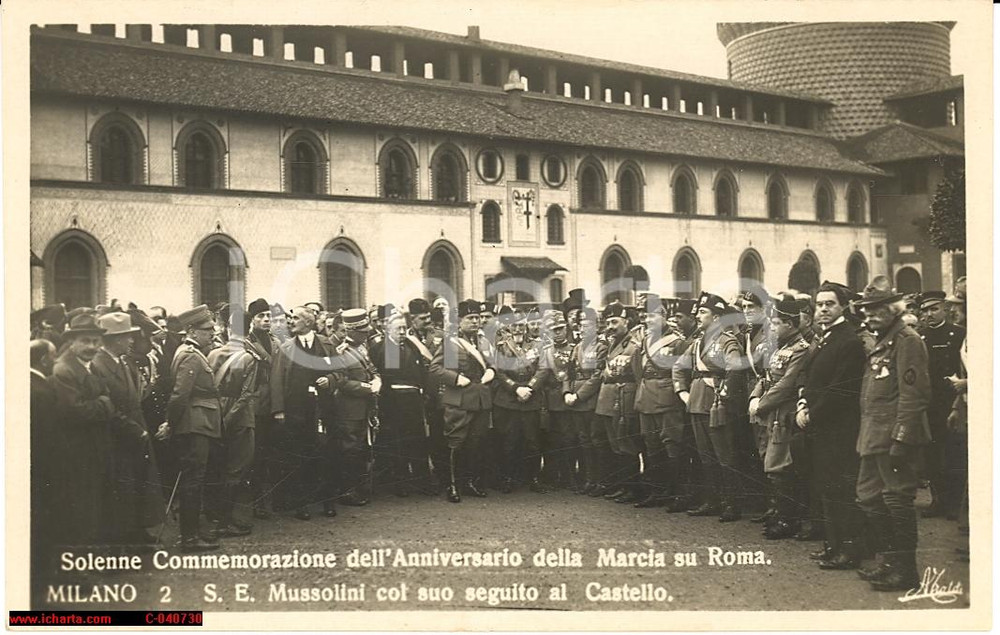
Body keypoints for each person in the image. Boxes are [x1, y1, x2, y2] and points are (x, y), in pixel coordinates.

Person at [854, 278, 931, 591]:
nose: (869, 316)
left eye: (876, 310)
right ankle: (889, 561)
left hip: (894, 436)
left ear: (893, 310)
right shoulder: (883, 339)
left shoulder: (907, 339)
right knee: (868, 496)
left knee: (897, 499)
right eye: (866, 311)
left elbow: (915, 394)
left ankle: (904, 569)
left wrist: (901, 436)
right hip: (873, 434)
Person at [797, 281, 867, 569]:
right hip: (819, 423)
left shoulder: (848, 340)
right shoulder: (822, 338)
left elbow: (840, 389)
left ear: (843, 307)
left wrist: (813, 413)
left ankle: (848, 550)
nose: (823, 309)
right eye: (820, 304)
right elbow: (806, 374)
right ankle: (833, 544)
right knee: (825, 485)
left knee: (840, 488)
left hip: (838, 426)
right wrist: (802, 402)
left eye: (830, 304)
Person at [51, 314, 125, 545]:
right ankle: (81, 560)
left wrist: (103, 403)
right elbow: (76, 412)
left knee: (97, 502)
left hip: (96, 445)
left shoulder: (89, 366)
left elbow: (104, 400)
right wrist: (104, 403)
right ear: (72, 342)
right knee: (82, 505)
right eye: (85, 341)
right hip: (78, 449)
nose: (92, 347)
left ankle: (96, 555)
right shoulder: (64, 370)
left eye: (95, 341)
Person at [91, 312, 164, 545]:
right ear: (113, 340)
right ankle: (121, 538)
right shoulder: (99, 365)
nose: (132, 341)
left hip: (134, 430)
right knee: (122, 487)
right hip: (119, 436)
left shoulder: (121, 361)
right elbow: (108, 405)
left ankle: (137, 530)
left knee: (138, 482)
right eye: (126, 337)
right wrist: (134, 429)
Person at [674, 293, 744, 522]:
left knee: (724, 455)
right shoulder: (696, 344)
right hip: (696, 402)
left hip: (716, 404)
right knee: (705, 456)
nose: (697, 315)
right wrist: (682, 391)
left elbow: (735, 368)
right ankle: (712, 500)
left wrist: (724, 392)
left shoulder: (727, 341)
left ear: (716, 318)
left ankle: (731, 503)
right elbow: (678, 367)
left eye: (703, 312)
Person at [748, 300, 810, 539]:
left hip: (783, 413)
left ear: (790, 324)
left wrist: (761, 405)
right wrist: (755, 396)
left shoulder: (801, 348)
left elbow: (787, 384)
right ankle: (779, 512)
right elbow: (766, 377)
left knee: (780, 465)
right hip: (770, 412)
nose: (772, 327)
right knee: (769, 460)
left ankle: (787, 518)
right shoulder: (777, 346)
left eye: (776, 323)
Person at [270, 306, 338, 520]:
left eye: (296, 318)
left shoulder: (327, 344)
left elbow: (341, 371)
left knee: (326, 454)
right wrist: (279, 410)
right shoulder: (287, 348)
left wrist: (331, 380)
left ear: (308, 322)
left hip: (323, 409)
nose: (291, 321)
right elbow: (277, 380)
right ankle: (302, 503)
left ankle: (328, 502)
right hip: (297, 410)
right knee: (299, 455)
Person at [165, 305, 223, 552]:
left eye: (212, 329)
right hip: (194, 424)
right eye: (206, 330)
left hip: (198, 423)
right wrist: (171, 423)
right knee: (193, 481)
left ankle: (194, 532)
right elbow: (180, 395)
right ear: (191, 331)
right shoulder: (190, 355)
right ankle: (189, 538)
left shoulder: (192, 352)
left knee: (195, 480)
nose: (212, 333)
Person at [429, 299, 495, 503]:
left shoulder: (483, 342)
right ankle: (453, 485)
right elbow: (435, 369)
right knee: (456, 443)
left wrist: (492, 370)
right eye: (471, 318)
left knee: (476, 443)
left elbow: (493, 363)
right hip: (459, 400)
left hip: (481, 399)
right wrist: (456, 378)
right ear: (459, 321)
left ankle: (468, 482)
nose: (476, 322)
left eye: (477, 318)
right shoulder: (451, 343)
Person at [206, 306, 263, 536]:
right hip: (240, 418)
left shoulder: (212, 353)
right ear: (249, 328)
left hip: (214, 412)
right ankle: (225, 522)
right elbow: (247, 394)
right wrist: (230, 417)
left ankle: (215, 515)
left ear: (229, 329)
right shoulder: (250, 358)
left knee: (217, 465)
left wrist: (219, 417)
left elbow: (208, 388)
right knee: (236, 467)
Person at [631, 296, 688, 509]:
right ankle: (656, 491)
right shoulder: (644, 341)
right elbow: (637, 370)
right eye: (646, 316)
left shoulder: (677, 341)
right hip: (646, 398)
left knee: (672, 446)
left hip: (667, 399)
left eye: (653, 315)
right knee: (651, 446)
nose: (648, 320)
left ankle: (678, 494)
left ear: (664, 316)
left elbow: (683, 370)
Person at [371, 310, 433, 496]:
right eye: (398, 329)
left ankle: (423, 481)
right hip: (392, 402)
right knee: (396, 443)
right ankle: (400, 482)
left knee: (417, 440)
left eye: (404, 328)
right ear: (387, 329)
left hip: (413, 400)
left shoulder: (412, 347)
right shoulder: (378, 348)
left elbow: (421, 372)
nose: (401, 332)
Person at [916, 291, 966, 519]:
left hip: (953, 401)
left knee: (954, 452)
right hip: (929, 403)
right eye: (925, 310)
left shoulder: (958, 334)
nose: (929, 314)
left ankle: (956, 502)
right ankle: (938, 499)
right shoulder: (919, 337)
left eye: (934, 309)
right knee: (932, 452)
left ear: (945, 308)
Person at [493, 308, 548, 493]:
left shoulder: (537, 346)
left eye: (520, 326)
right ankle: (509, 477)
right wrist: (516, 388)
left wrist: (530, 388)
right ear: (508, 328)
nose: (517, 330)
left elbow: (543, 369)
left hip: (530, 397)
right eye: (513, 326)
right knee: (509, 441)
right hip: (509, 399)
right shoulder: (501, 347)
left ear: (525, 327)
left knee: (533, 440)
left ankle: (533, 477)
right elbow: (499, 372)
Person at [594, 301, 643, 504]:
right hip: (609, 399)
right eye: (608, 322)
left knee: (627, 444)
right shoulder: (613, 343)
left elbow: (639, 377)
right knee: (615, 445)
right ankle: (622, 485)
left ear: (627, 321)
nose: (610, 326)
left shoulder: (634, 345)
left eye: (615, 321)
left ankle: (632, 488)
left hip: (625, 399)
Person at [564, 307, 608, 496]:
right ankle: (588, 479)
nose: (583, 329)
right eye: (581, 325)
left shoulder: (601, 347)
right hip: (575, 400)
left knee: (595, 440)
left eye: (588, 325)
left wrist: (579, 395)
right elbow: (568, 372)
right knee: (583, 441)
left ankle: (599, 480)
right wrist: (566, 392)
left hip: (590, 400)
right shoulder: (576, 347)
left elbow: (597, 376)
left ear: (597, 327)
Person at [245, 298, 279, 519]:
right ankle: (257, 501)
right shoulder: (246, 343)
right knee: (255, 455)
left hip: (275, 402)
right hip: (256, 404)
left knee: (271, 453)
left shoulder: (276, 341)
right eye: (261, 316)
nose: (266, 320)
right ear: (253, 320)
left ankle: (271, 499)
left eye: (268, 316)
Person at [30, 338, 63, 562]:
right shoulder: (41, 390)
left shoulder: (30, 384)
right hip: (45, 464)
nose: (56, 361)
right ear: (43, 360)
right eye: (53, 357)